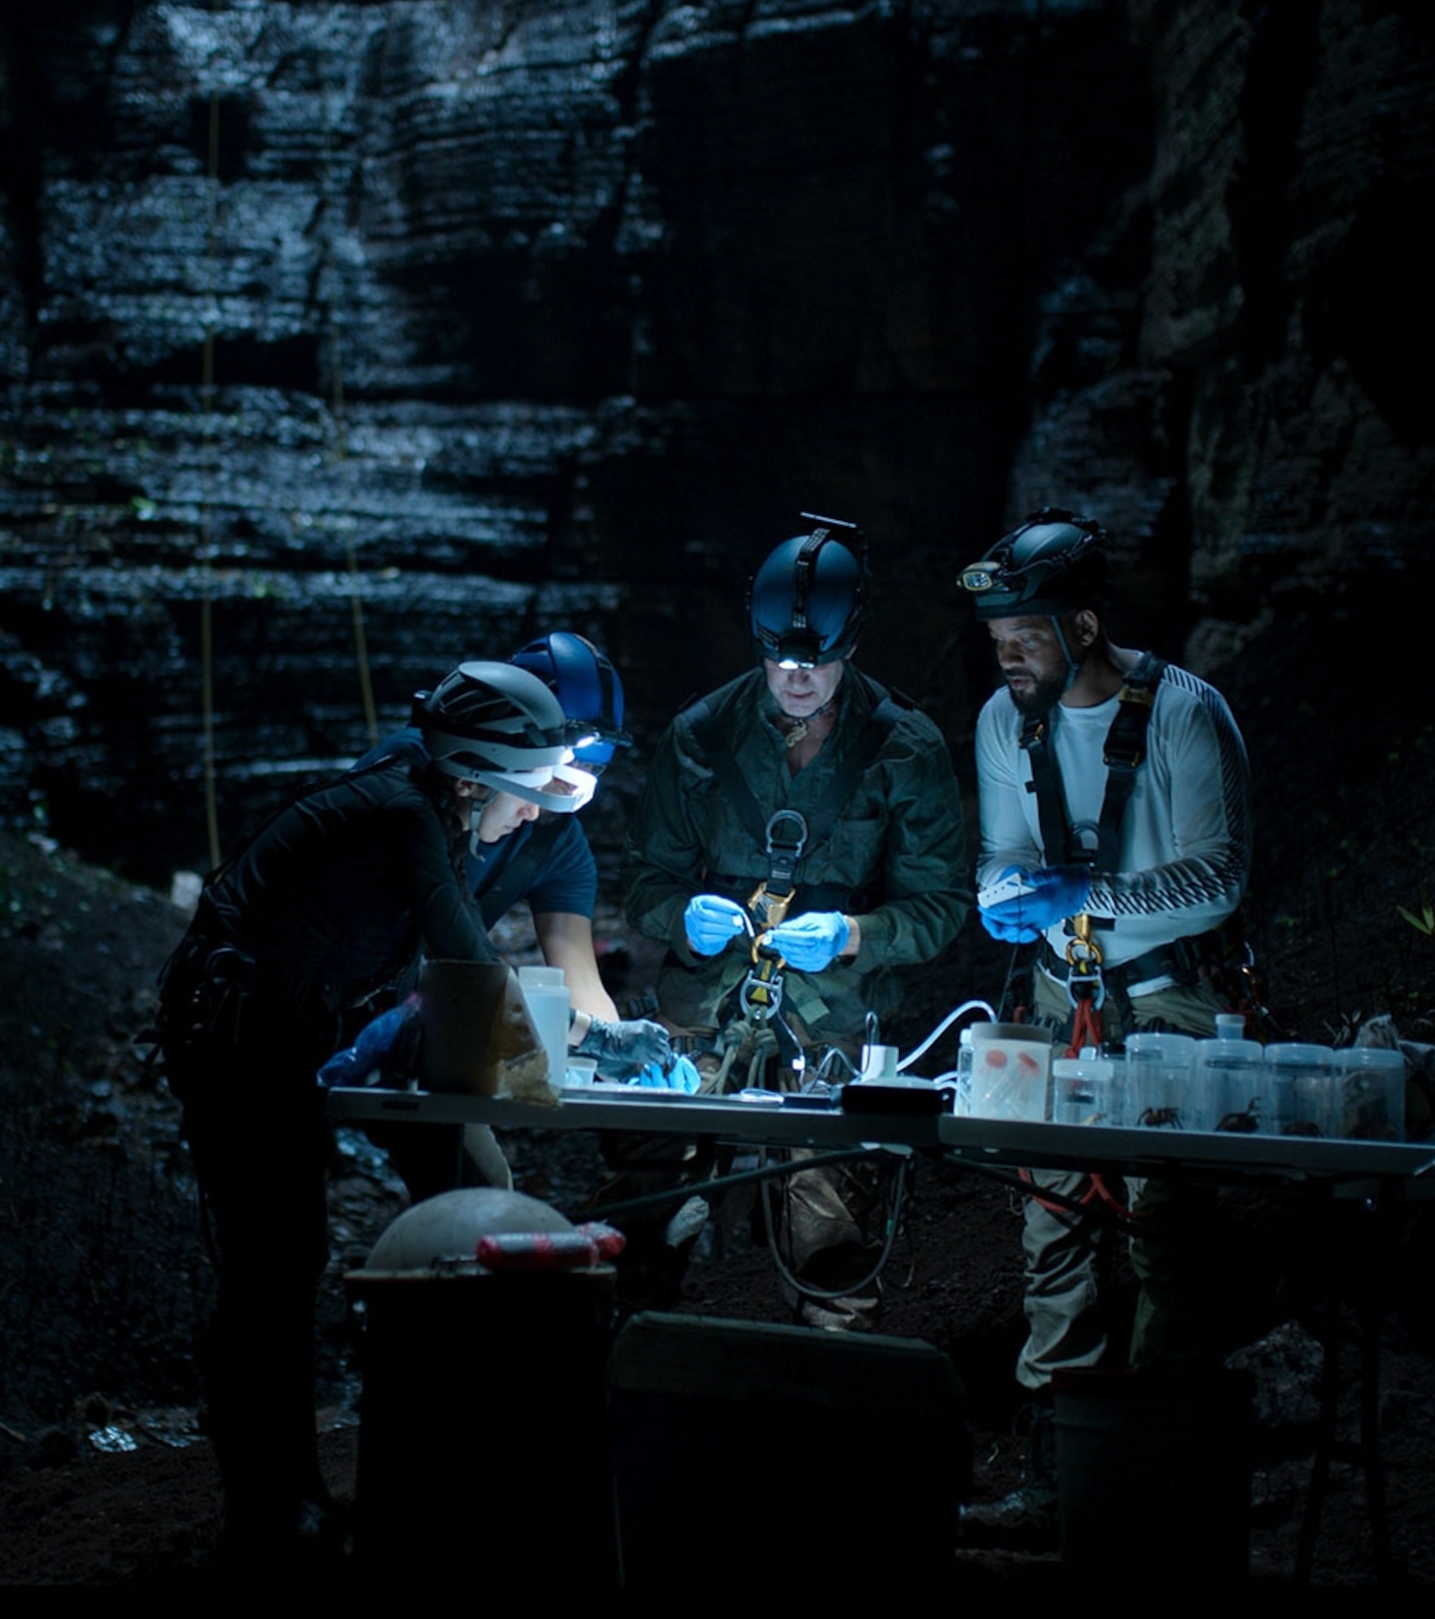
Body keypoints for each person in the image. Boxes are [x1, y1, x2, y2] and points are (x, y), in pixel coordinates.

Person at [148, 658, 587, 1560]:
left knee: (281, 1258)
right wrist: (575, 1056)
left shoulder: (419, 807)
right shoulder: (402, 813)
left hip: (280, 1027)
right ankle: (271, 1511)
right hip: (241, 1033)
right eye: (526, 789)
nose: (535, 811)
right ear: (475, 776)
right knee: (274, 1262)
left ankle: (284, 1498)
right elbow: (464, 954)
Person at [620, 514, 969, 1328]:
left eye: (814, 662)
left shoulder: (903, 750)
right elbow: (644, 883)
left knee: (830, 1227)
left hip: (829, 1022)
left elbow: (941, 905)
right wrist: (680, 915)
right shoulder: (702, 736)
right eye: (778, 657)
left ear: (853, 640)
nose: (795, 676)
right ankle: (624, 1368)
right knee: (647, 1202)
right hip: (700, 1014)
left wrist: (854, 936)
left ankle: (830, 1398)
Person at [956, 508, 1254, 1421]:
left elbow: (1218, 877)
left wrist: (1081, 899)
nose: (1007, 659)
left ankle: (1155, 1452)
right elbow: (999, 854)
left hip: (1173, 1004)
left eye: (1024, 638)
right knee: (1053, 1227)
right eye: (999, 640)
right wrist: (1006, 897)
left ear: (1082, 627)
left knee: (1167, 1230)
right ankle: (1058, 1457)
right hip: (1061, 998)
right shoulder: (1006, 724)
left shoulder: (1185, 713)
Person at [316, 632, 667, 1194]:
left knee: (477, 1192)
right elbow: (463, 955)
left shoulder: (554, 840)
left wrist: (621, 1049)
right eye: (543, 773)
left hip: (421, 1021)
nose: (543, 802)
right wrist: (590, 1036)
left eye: (575, 781)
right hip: (310, 1007)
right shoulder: (417, 783)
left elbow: (575, 977)